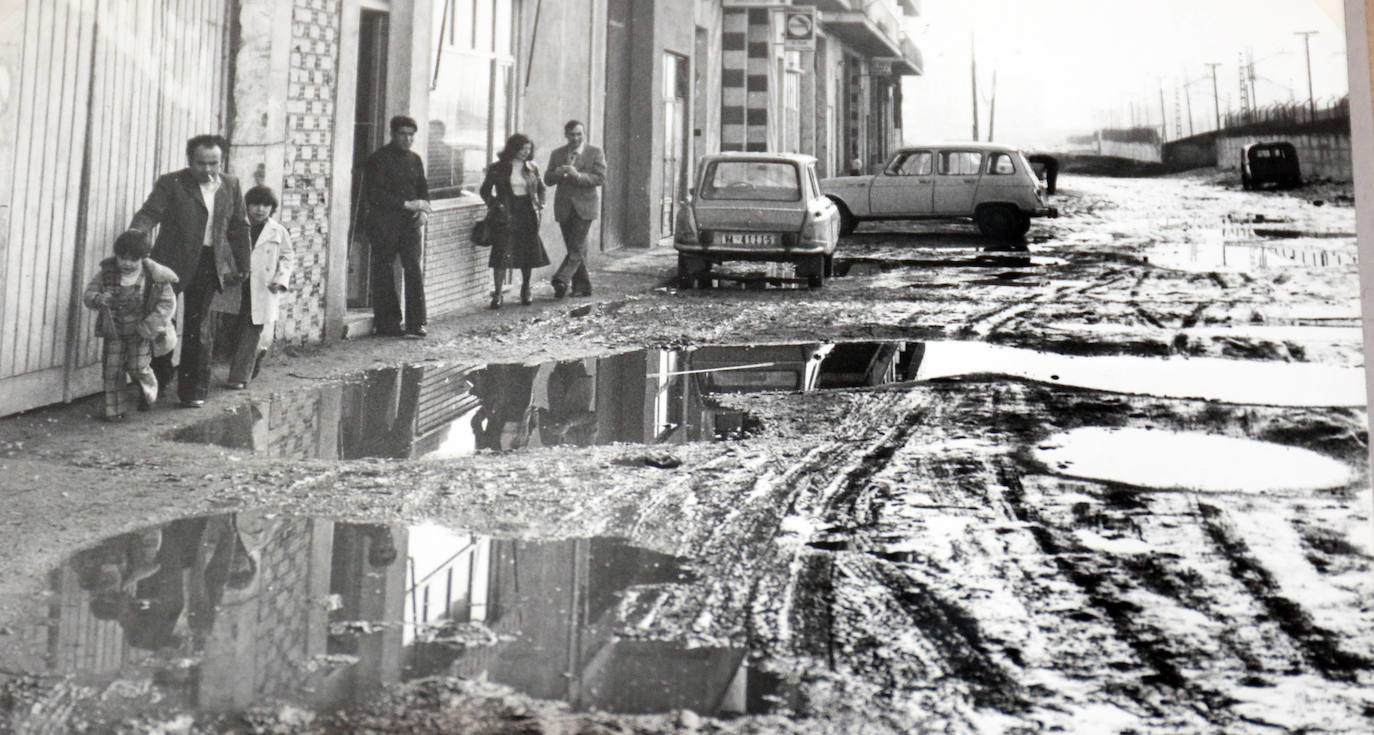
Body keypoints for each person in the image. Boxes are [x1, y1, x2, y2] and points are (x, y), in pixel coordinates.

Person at [130, 134, 250, 408]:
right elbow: (150, 213)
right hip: (170, 262)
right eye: (201, 163)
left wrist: (243, 264)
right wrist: (136, 234)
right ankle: (157, 382)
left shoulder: (230, 185)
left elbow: (238, 226)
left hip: (209, 264)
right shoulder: (172, 183)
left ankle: (193, 391)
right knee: (161, 323)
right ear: (189, 161)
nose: (207, 170)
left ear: (222, 161)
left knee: (199, 327)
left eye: (213, 163)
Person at [82, 230, 179, 420]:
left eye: (133, 259)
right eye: (122, 258)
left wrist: (150, 326)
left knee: (137, 367)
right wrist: (98, 299)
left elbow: (167, 303)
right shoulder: (106, 274)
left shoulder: (155, 278)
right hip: (114, 330)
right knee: (112, 370)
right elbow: (89, 294)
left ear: (143, 258)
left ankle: (150, 391)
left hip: (141, 331)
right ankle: (115, 410)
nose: (127, 263)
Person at [210, 185, 294, 389]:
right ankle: (256, 354)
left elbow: (287, 256)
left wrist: (280, 278)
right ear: (246, 206)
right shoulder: (235, 227)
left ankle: (239, 377)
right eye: (255, 204)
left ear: (272, 208)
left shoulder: (278, 231)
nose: (260, 209)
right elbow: (220, 250)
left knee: (251, 329)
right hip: (237, 284)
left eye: (265, 205)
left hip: (262, 288)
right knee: (229, 329)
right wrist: (225, 270)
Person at [363, 115, 431, 338]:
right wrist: (405, 204)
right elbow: (374, 194)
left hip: (410, 224)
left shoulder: (415, 160)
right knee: (384, 268)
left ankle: (417, 323)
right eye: (403, 134)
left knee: (413, 267)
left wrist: (423, 211)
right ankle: (387, 323)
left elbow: (423, 189)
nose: (407, 139)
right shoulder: (378, 160)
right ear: (392, 134)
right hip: (385, 223)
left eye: (411, 135)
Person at [479, 133, 549, 308]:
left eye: (528, 149)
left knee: (527, 252)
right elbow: (485, 191)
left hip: (527, 212)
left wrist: (541, 203)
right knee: (501, 251)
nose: (525, 152)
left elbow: (541, 188)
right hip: (506, 213)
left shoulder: (532, 168)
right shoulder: (498, 168)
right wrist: (495, 204)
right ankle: (497, 294)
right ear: (513, 148)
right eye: (522, 149)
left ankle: (526, 289)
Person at [544, 120, 606, 298]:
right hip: (564, 207)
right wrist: (556, 173)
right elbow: (547, 179)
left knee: (576, 247)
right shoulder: (557, 154)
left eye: (579, 134)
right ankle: (583, 287)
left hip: (585, 206)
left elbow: (600, 178)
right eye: (572, 134)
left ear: (584, 134)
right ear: (566, 135)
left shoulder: (595, 152)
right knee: (574, 248)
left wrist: (578, 175)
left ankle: (561, 279)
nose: (576, 138)